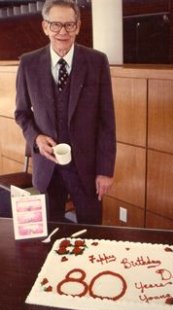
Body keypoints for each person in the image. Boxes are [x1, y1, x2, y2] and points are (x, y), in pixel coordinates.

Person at [15, 0, 116, 224]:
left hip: (87, 170)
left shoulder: (97, 62)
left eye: (69, 25)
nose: (63, 32)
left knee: (92, 233)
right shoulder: (28, 64)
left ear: (78, 26)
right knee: (52, 234)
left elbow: (106, 121)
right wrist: (36, 138)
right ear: (45, 27)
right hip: (47, 169)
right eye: (55, 25)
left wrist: (105, 170)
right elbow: (22, 113)